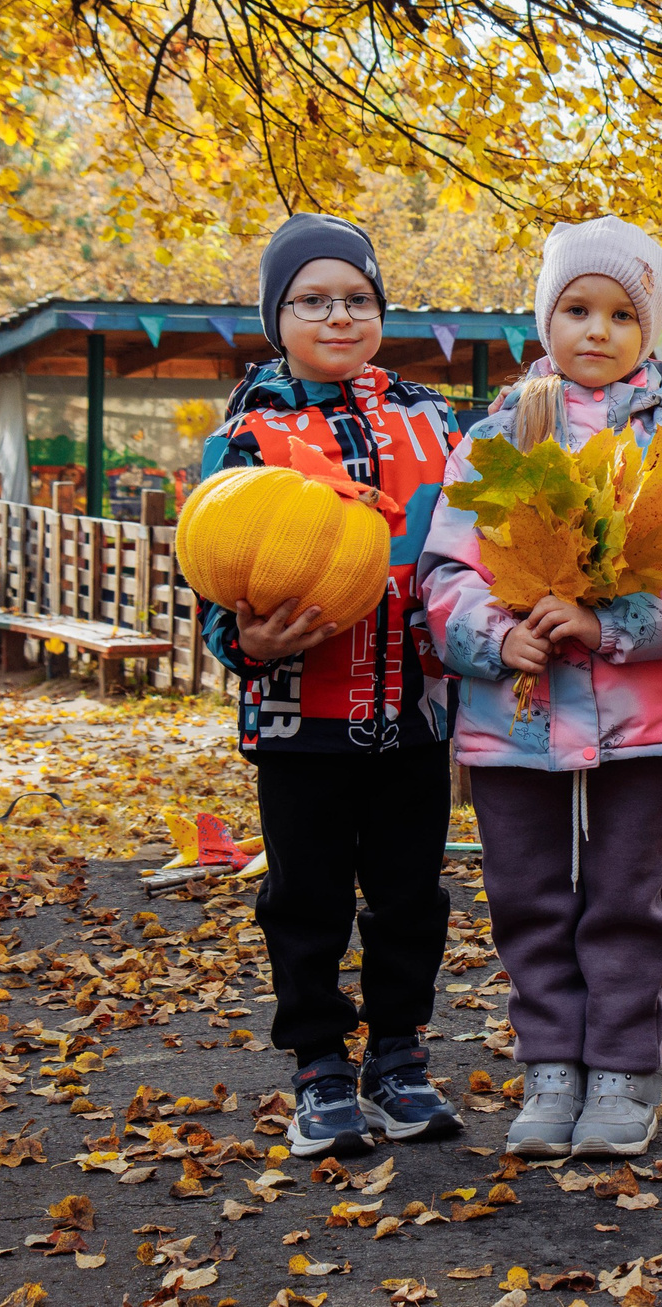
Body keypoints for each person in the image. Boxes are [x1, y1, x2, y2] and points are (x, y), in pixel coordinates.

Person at [420, 219, 662, 1159]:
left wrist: (610, 627)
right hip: (513, 715)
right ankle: (551, 1066)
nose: (596, 331)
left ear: (651, 333)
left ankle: (622, 1072)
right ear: (545, 318)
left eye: (618, 314)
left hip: (642, 717)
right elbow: (448, 569)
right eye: (576, 309)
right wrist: (496, 633)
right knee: (525, 891)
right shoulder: (492, 439)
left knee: (626, 894)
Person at [199, 213, 463, 1158]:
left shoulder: (435, 420)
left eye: (357, 298)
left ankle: (399, 1055)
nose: (338, 314)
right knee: (304, 898)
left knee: (409, 896)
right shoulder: (249, 430)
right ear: (279, 316)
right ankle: (318, 1061)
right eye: (313, 299)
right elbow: (210, 569)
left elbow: (470, 547)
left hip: (417, 710)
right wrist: (245, 638)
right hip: (297, 714)